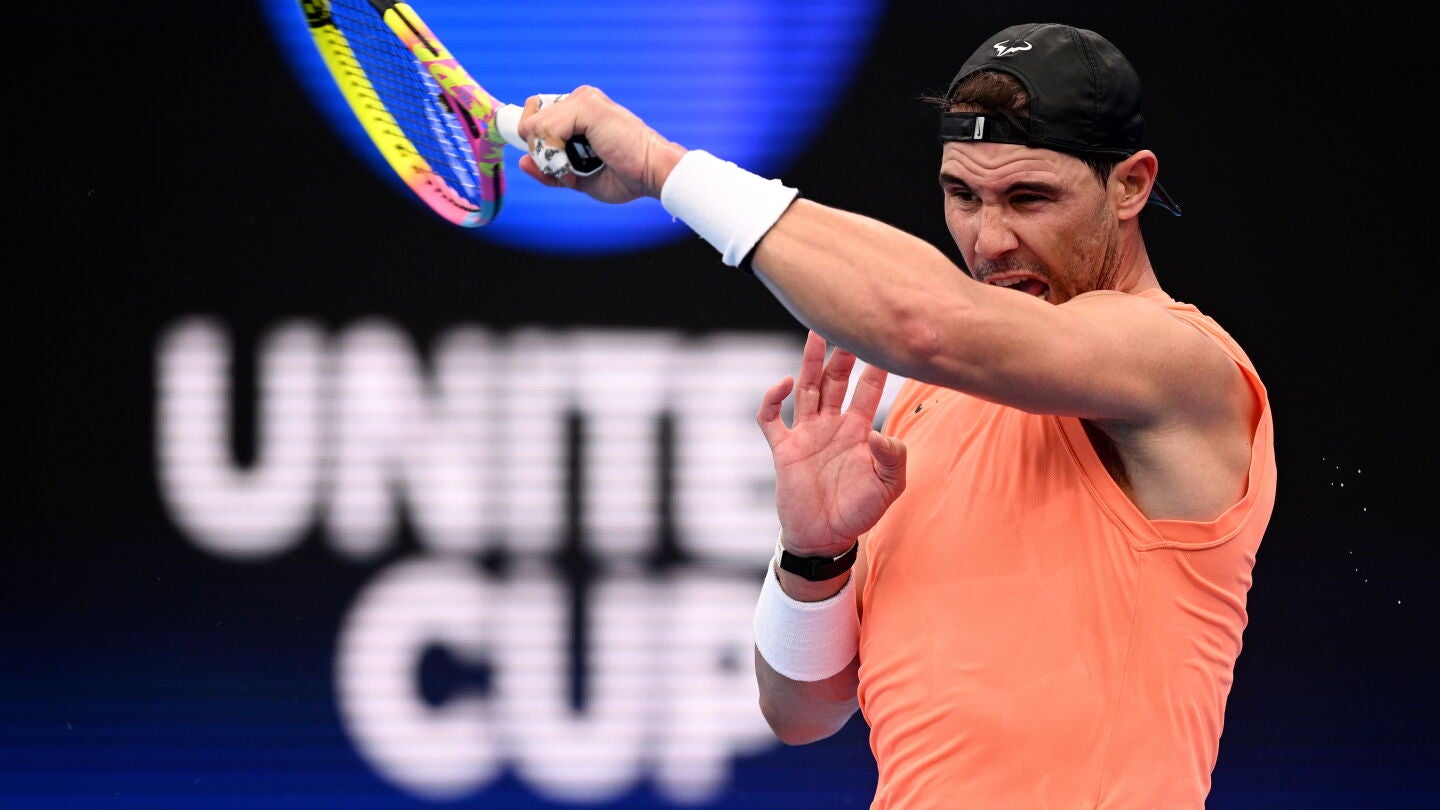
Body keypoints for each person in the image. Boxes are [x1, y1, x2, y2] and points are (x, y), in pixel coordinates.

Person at [511, 21, 1276, 810]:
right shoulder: (922, 408)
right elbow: (800, 711)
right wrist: (815, 556)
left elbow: (925, 324)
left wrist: (661, 167)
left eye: (1029, 197)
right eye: (963, 196)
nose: (990, 239)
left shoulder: (1177, 364)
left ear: (1130, 186)